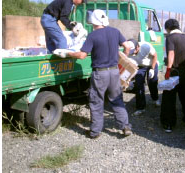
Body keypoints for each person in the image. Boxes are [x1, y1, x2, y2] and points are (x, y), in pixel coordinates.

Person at [55, 9, 132, 139]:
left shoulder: (93, 36)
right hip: (114, 72)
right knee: (117, 99)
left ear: (93, 21)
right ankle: (125, 127)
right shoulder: (115, 31)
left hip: (100, 74)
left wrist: (67, 53)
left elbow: (82, 55)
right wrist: (123, 59)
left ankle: (95, 132)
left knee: (96, 102)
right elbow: (127, 46)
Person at [160, 19, 185, 133]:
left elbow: (171, 53)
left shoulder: (170, 38)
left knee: (169, 97)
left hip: (174, 71)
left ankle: (169, 124)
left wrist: (168, 69)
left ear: (168, 28)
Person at [125, 39, 160, 115]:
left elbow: (155, 55)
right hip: (140, 66)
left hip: (151, 64)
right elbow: (128, 65)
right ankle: (140, 108)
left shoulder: (146, 46)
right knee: (138, 85)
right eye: (131, 52)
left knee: (152, 82)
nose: (133, 53)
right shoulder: (127, 51)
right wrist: (128, 79)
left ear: (138, 47)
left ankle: (155, 98)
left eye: (134, 51)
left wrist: (152, 69)